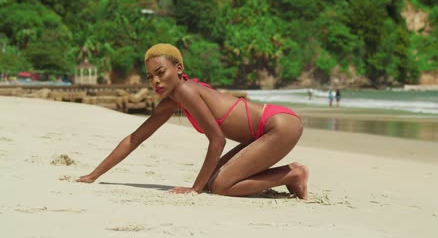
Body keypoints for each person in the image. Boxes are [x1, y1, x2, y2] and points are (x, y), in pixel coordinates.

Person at [77, 43, 309, 199]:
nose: (156, 81)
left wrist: (194, 189)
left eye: (161, 72)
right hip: (261, 133)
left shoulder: (186, 90)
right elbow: (135, 139)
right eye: (150, 77)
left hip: (278, 126)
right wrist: (94, 175)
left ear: (179, 68)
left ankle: (293, 174)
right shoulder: (171, 101)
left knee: (219, 186)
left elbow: (217, 140)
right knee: (214, 182)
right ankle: (289, 177)